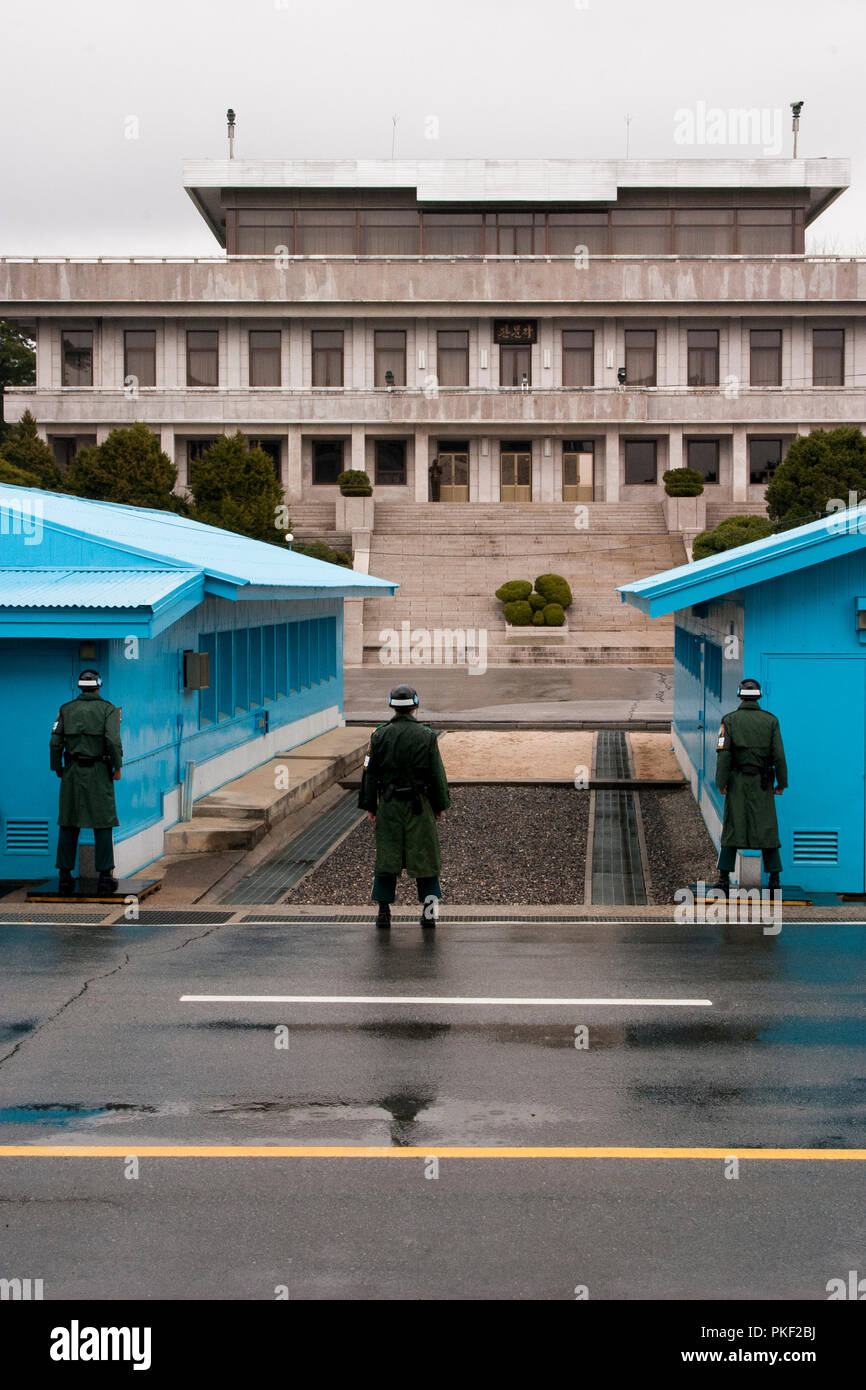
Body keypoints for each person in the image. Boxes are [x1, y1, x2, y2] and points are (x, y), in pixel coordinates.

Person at [358, 685, 450, 928]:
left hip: (389, 805)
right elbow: (436, 774)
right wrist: (439, 805)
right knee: (426, 858)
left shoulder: (378, 736)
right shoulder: (427, 736)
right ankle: (429, 912)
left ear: (392, 706)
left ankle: (383, 911)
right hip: (420, 805)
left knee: (387, 858)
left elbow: (369, 773)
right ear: (415, 706)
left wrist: (370, 806)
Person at [50, 669, 123, 894]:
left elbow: (55, 743)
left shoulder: (66, 710)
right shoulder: (109, 710)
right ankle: (104, 876)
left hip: (72, 772)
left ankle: (64, 875)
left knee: (68, 821)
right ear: (99, 685)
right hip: (99, 771)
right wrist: (117, 766)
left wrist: (58, 767)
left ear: (80, 686)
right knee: (103, 822)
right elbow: (112, 740)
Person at [714, 677, 787, 895]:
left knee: (732, 827)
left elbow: (724, 755)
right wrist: (781, 782)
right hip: (763, 782)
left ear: (739, 695)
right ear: (759, 696)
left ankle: (724, 880)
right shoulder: (771, 721)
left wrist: (721, 781)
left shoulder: (729, 720)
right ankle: (774, 880)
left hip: (736, 782)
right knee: (767, 828)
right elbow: (779, 756)